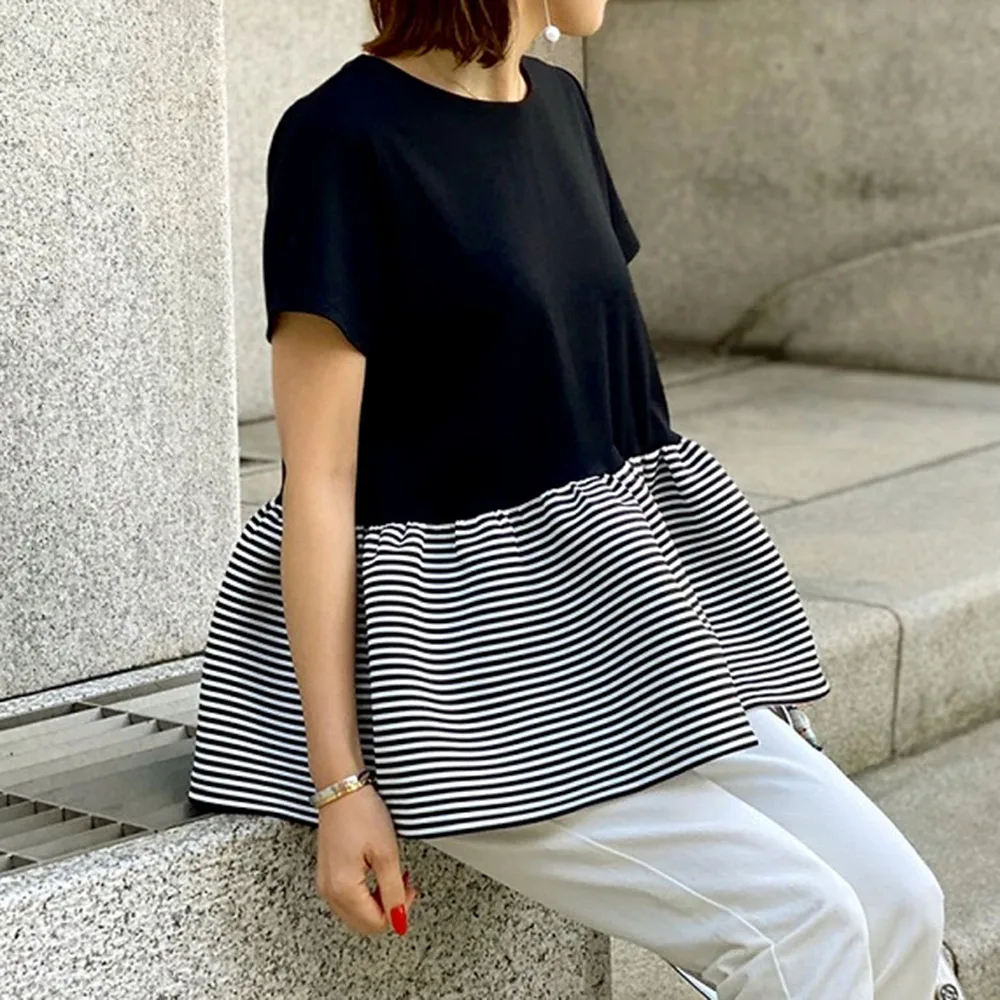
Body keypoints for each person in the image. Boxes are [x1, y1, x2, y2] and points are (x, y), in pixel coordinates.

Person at [187, 0, 957, 996]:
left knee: (902, 901)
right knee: (799, 925)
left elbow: (604, 417)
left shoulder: (557, 105)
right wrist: (342, 785)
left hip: (616, 637)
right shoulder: (340, 140)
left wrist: (708, 643)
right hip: (456, 676)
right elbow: (319, 487)